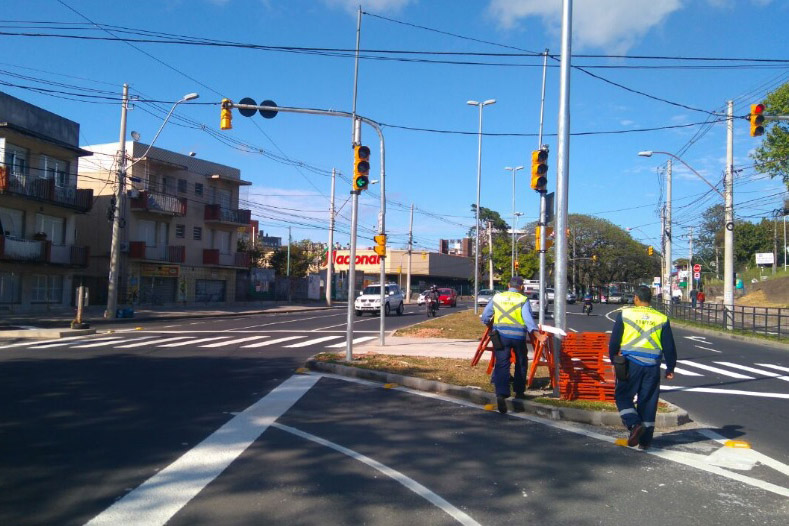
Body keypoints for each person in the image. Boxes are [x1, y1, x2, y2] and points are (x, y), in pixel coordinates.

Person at [609, 285, 677, 449]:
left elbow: (614, 341)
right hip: (653, 366)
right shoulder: (661, 318)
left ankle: (634, 424)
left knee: (623, 396)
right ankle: (645, 441)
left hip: (630, 364)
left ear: (636, 298)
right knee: (648, 401)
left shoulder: (625, 314)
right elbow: (669, 346)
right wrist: (670, 367)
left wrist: (613, 360)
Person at [481, 276, 546, 414]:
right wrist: (538, 336)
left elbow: (485, 315)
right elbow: (528, 321)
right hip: (518, 337)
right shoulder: (523, 299)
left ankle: (501, 393)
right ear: (521, 287)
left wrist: (490, 326)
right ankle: (519, 391)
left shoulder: (497, 297)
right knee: (521, 362)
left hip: (501, 336)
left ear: (508, 285)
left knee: (502, 364)